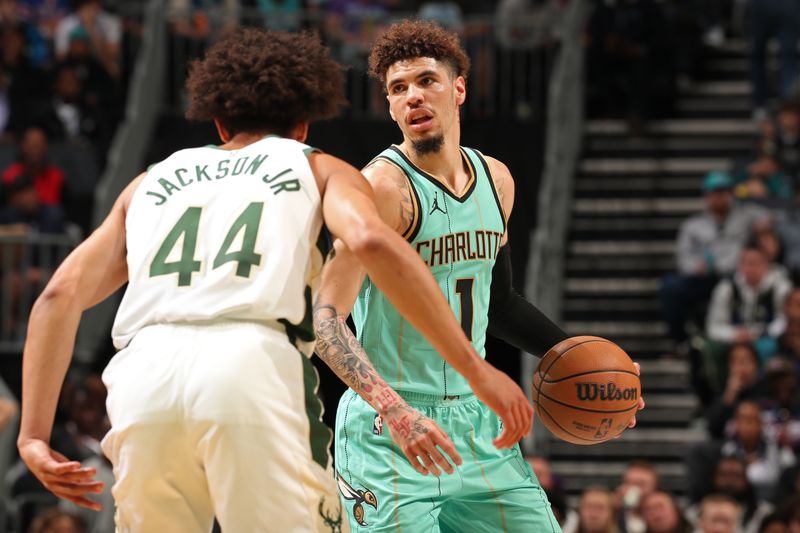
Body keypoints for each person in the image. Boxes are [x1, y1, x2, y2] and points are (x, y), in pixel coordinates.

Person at [16, 28, 534, 533]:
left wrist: (33, 436)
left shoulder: (150, 182)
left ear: (219, 123)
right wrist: (476, 367)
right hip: (250, 363)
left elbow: (59, 295)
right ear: (304, 124)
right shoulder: (319, 168)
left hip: (143, 377)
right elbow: (373, 244)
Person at [313, 20, 644, 532]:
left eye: (427, 81)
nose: (413, 97)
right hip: (392, 427)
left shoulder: (496, 179)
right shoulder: (381, 189)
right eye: (398, 89)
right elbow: (327, 320)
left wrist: (582, 362)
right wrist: (395, 411)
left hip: (476, 419)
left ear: (459, 89)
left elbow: (502, 301)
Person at [661, 170, 768, 356]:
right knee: (671, 287)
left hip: (736, 276)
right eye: (715, 193)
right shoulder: (693, 225)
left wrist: (761, 202)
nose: (720, 197)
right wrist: (695, 267)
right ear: (707, 196)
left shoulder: (745, 216)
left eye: (724, 192)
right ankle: (680, 340)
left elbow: (769, 218)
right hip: (703, 278)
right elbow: (683, 258)